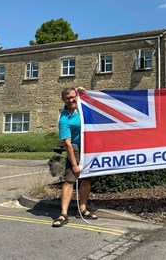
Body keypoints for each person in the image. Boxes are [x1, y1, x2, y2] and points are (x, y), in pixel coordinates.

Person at [52, 87, 98, 227]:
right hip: (75, 149)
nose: (71, 100)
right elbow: (67, 144)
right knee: (70, 180)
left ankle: (82, 209)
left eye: (73, 97)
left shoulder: (82, 107)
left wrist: (83, 91)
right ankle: (63, 214)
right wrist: (74, 164)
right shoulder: (64, 119)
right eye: (67, 98)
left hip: (89, 147)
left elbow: (95, 102)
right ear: (63, 100)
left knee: (87, 179)